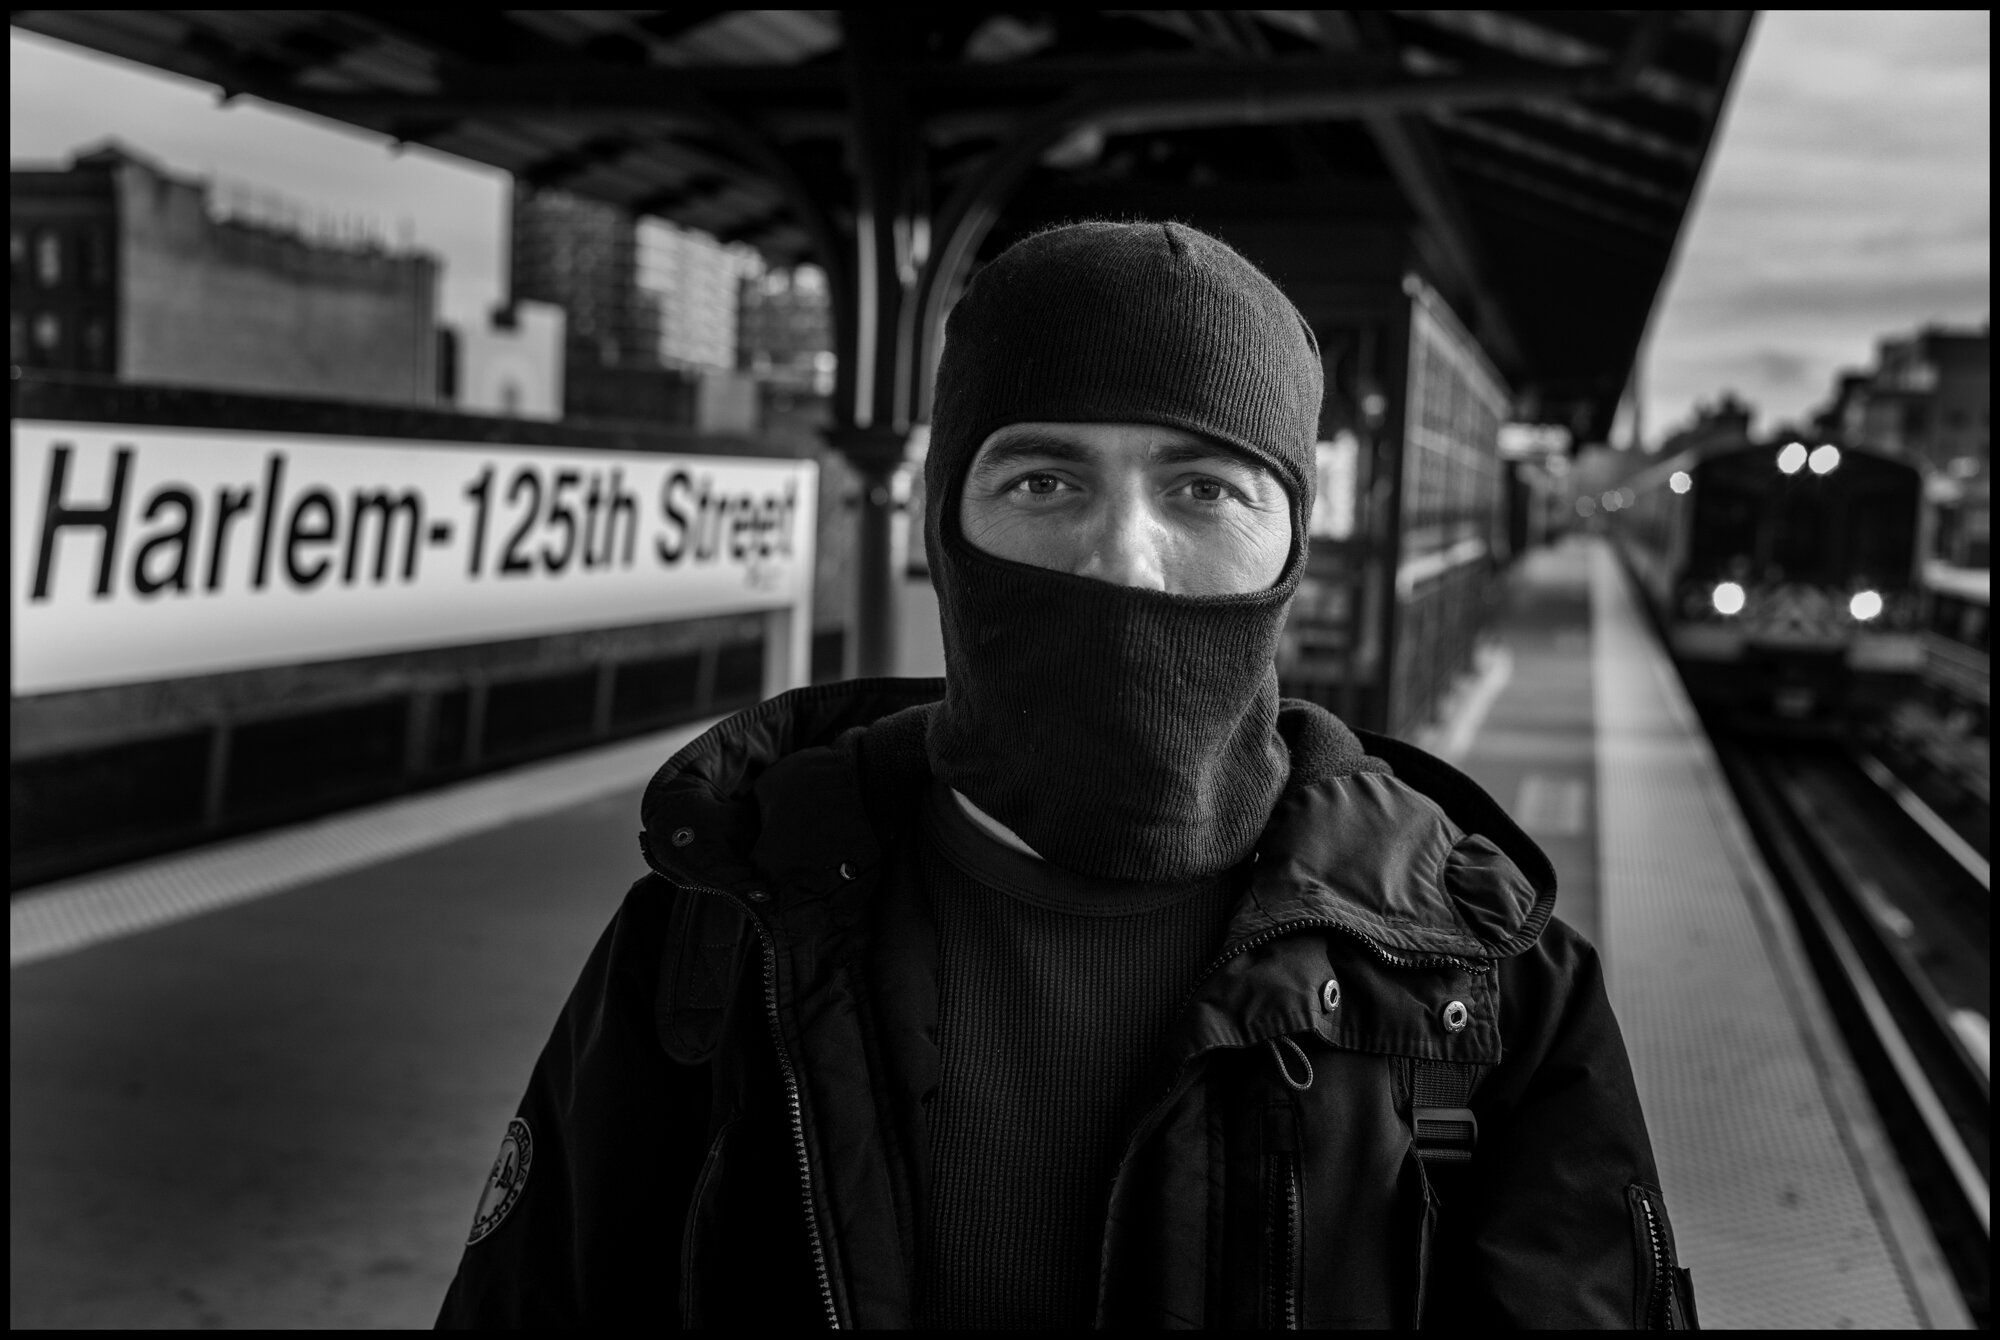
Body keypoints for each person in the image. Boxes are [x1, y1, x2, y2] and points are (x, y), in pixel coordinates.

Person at [435, 220, 1696, 1329]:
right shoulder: (712, 936)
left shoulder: (1488, 984)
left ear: (1289, 548)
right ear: (946, 522)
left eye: (1204, 486)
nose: (1122, 558)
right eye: (1042, 478)